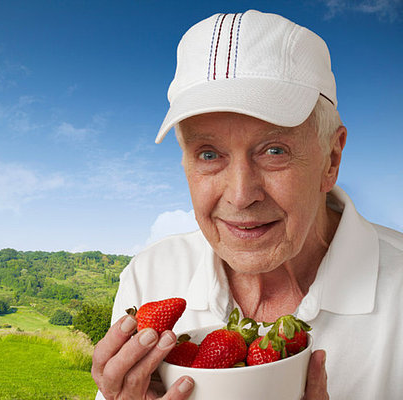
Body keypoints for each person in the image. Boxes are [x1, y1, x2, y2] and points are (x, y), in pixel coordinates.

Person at [92, 9, 403, 400]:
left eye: (274, 150)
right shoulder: (149, 275)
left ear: (331, 159)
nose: (240, 195)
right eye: (208, 154)